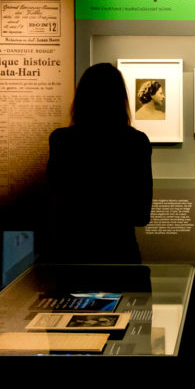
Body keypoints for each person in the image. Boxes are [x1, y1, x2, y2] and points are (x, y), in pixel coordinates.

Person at [46, 63, 152, 264]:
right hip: (119, 248)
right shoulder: (135, 141)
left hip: (74, 249)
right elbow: (141, 214)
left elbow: (57, 200)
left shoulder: (62, 140)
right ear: (120, 98)